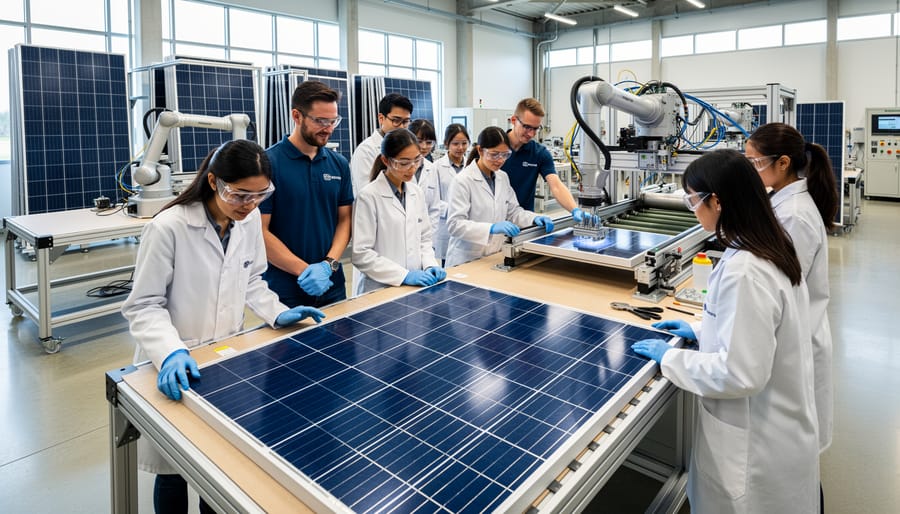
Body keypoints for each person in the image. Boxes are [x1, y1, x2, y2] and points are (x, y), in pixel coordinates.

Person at [122, 140, 326, 514]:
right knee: (173, 470)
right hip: (174, 361)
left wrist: (276, 312)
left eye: (259, 195)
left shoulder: (245, 224)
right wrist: (171, 352)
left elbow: (252, 280)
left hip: (227, 359)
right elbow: (144, 304)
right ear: (213, 181)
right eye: (239, 194)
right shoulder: (169, 227)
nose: (249, 205)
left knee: (218, 468)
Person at [631, 149, 820, 513]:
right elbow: (758, 329)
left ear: (716, 201)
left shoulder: (746, 270)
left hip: (757, 447)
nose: (692, 209)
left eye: (692, 200)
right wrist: (702, 329)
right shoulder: (764, 244)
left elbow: (741, 374)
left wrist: (671, 358)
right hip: (778, 426)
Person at [746, 122, 838, 510]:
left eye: (755, 162)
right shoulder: (782, 199)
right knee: (791, 454)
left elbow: (778, 289)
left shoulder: (796, 215)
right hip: (795, 333)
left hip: (799, 337)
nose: (750, 169)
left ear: (782, 163)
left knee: (794, 458)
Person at [260, 80, 354, 308]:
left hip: (332, 285)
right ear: (297, 116)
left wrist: (328, 265)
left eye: (333, 121)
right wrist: (303, 270)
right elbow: (259, 231)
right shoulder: (268, 163)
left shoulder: (338, 164)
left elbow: (344, 220)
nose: (329, 128)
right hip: (284, 289)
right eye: (320, 121)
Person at [352, 129, 446, 295]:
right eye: (403, 163)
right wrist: (404, 275)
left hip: (415, 288)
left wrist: (430, 264)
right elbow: (362, 254)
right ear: (386, 160)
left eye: (416, 161)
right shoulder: (369, 196)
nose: (411, 169)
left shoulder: (415, 192)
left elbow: (424, 238)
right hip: (380, 289)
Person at [445, 126, 555, 268]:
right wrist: (491, 228)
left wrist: (533, 218)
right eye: (494, 154)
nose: (500, 160)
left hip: (494, 256)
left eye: (505, 155)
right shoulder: (462, 181)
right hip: (466, 259)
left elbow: (514, 212)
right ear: (480, 150)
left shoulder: (502, 177)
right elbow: (455, 225)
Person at [503, 97, 593, 224]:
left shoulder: (539, 153)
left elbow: (556, 186)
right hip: (493, 222)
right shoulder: (495, 149)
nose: (531, 134)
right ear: (513, 120)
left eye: (535, 128)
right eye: (527, 127)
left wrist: (575, 210)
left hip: (524, 222)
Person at [350, 92, 414, 195]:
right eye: (396, 120)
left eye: (406, 121)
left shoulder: (406, 149)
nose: (402, 127)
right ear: (381, 118)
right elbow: (366, 193)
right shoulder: (366, 151)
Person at [430, 123, 471, 263]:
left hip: (467, 224)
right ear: (447, 144)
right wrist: (454, 209)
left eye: (464, 143)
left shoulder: (471, 167)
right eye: (455, 144)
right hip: (446, 226)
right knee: (446, 264)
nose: (460, 148)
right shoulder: (436, 167)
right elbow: (433, 201)